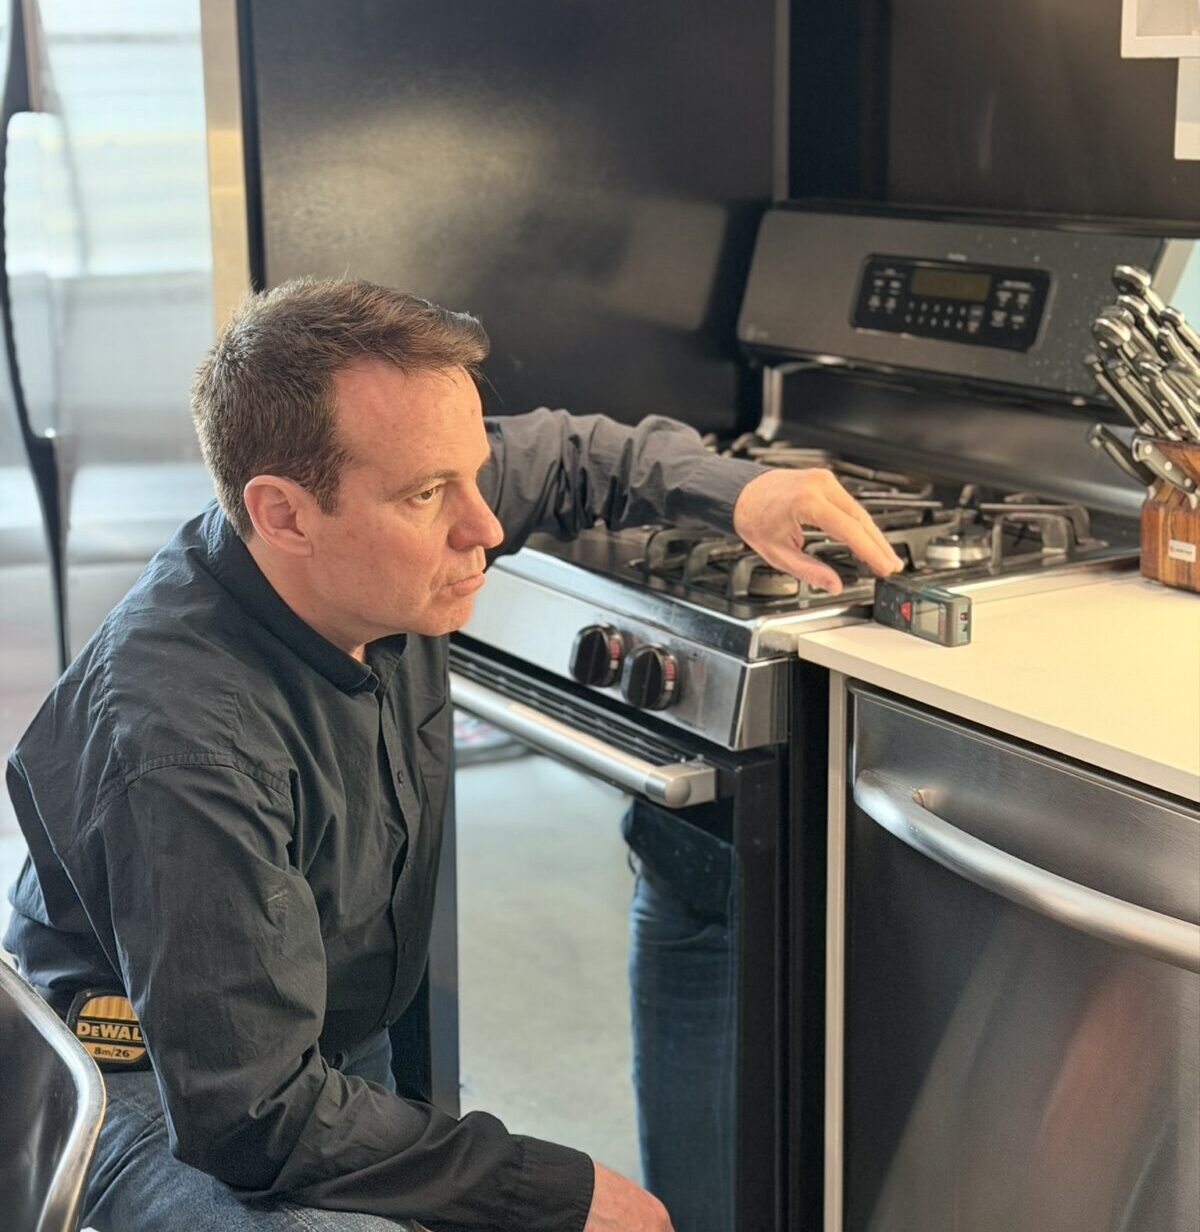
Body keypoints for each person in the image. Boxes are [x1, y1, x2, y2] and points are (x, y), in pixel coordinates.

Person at [3, 277, 902, 1232]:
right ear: (285, 514)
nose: (484, 528)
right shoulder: (189, 746)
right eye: (429, 494)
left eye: (469, 473)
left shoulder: (361, 535)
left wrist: (746, 488)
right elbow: (252, 1116)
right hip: (150, 1084)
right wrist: (557, 1191)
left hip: (318, 1043)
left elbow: (564, 454)